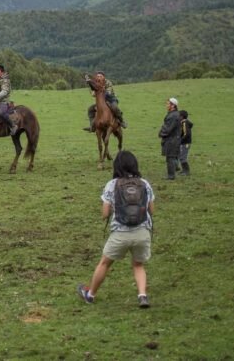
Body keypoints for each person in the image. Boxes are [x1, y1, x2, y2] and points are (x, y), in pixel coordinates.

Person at [77, 150, 155, 308]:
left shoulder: (112, 185)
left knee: (104, 263)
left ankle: (90, 294)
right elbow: (151, 210)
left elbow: (105, 214)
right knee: (138, 265)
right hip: (142, 232)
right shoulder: (144, 184)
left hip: (120, 233)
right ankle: (142, 296)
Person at [158, 98, 181, 180]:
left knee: (170, 157)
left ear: (173, 106)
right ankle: (175, 168)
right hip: (173, 139)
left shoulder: (173, 116)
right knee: (172, 156)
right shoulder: (173, 114)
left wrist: (161, 133)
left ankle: (171, 176)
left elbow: (168, 128)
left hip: (172, 139)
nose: (166, 105)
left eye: (168, 104)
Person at [178, 110, 193, 176]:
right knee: (181, 156)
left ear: (182, 116)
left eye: (179, 115)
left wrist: (181, 140)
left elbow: (186, 133)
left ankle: (186, 171)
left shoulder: (184, 123)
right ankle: (184, 170)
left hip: (185, 143)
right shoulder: (183, 122)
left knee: (183, 157)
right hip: (184, 143)